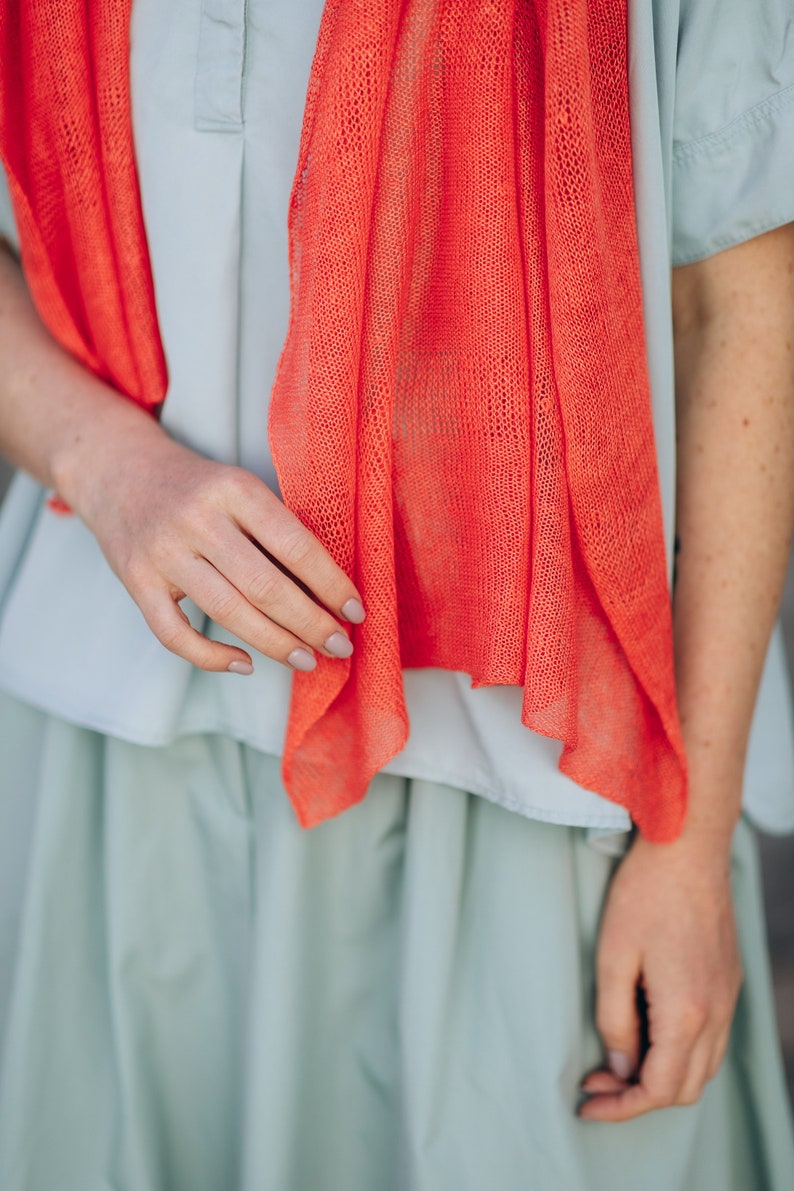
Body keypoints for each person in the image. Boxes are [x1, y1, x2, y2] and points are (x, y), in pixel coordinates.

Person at [0, 0, 793, 1188]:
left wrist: (683, 857)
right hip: (126, 733)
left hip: (539, 770)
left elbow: (733, 302)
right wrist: (101, 461)